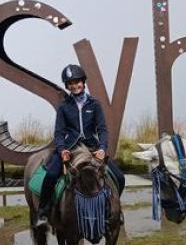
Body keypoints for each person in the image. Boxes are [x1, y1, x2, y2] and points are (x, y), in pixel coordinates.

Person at [35, 64, 125, 226]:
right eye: (70, 83)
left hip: (92, 148)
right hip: (70, 148)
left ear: (83, 82)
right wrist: (62, 150)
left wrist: (103, 149)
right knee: (50, 176)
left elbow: (103, 130)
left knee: (119, 177)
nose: (74, 86)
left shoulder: (95, 104)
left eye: (77, 82)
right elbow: (59, 133)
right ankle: (43, 213)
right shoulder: (64, 107)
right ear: (67, 86)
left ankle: (115, 210)